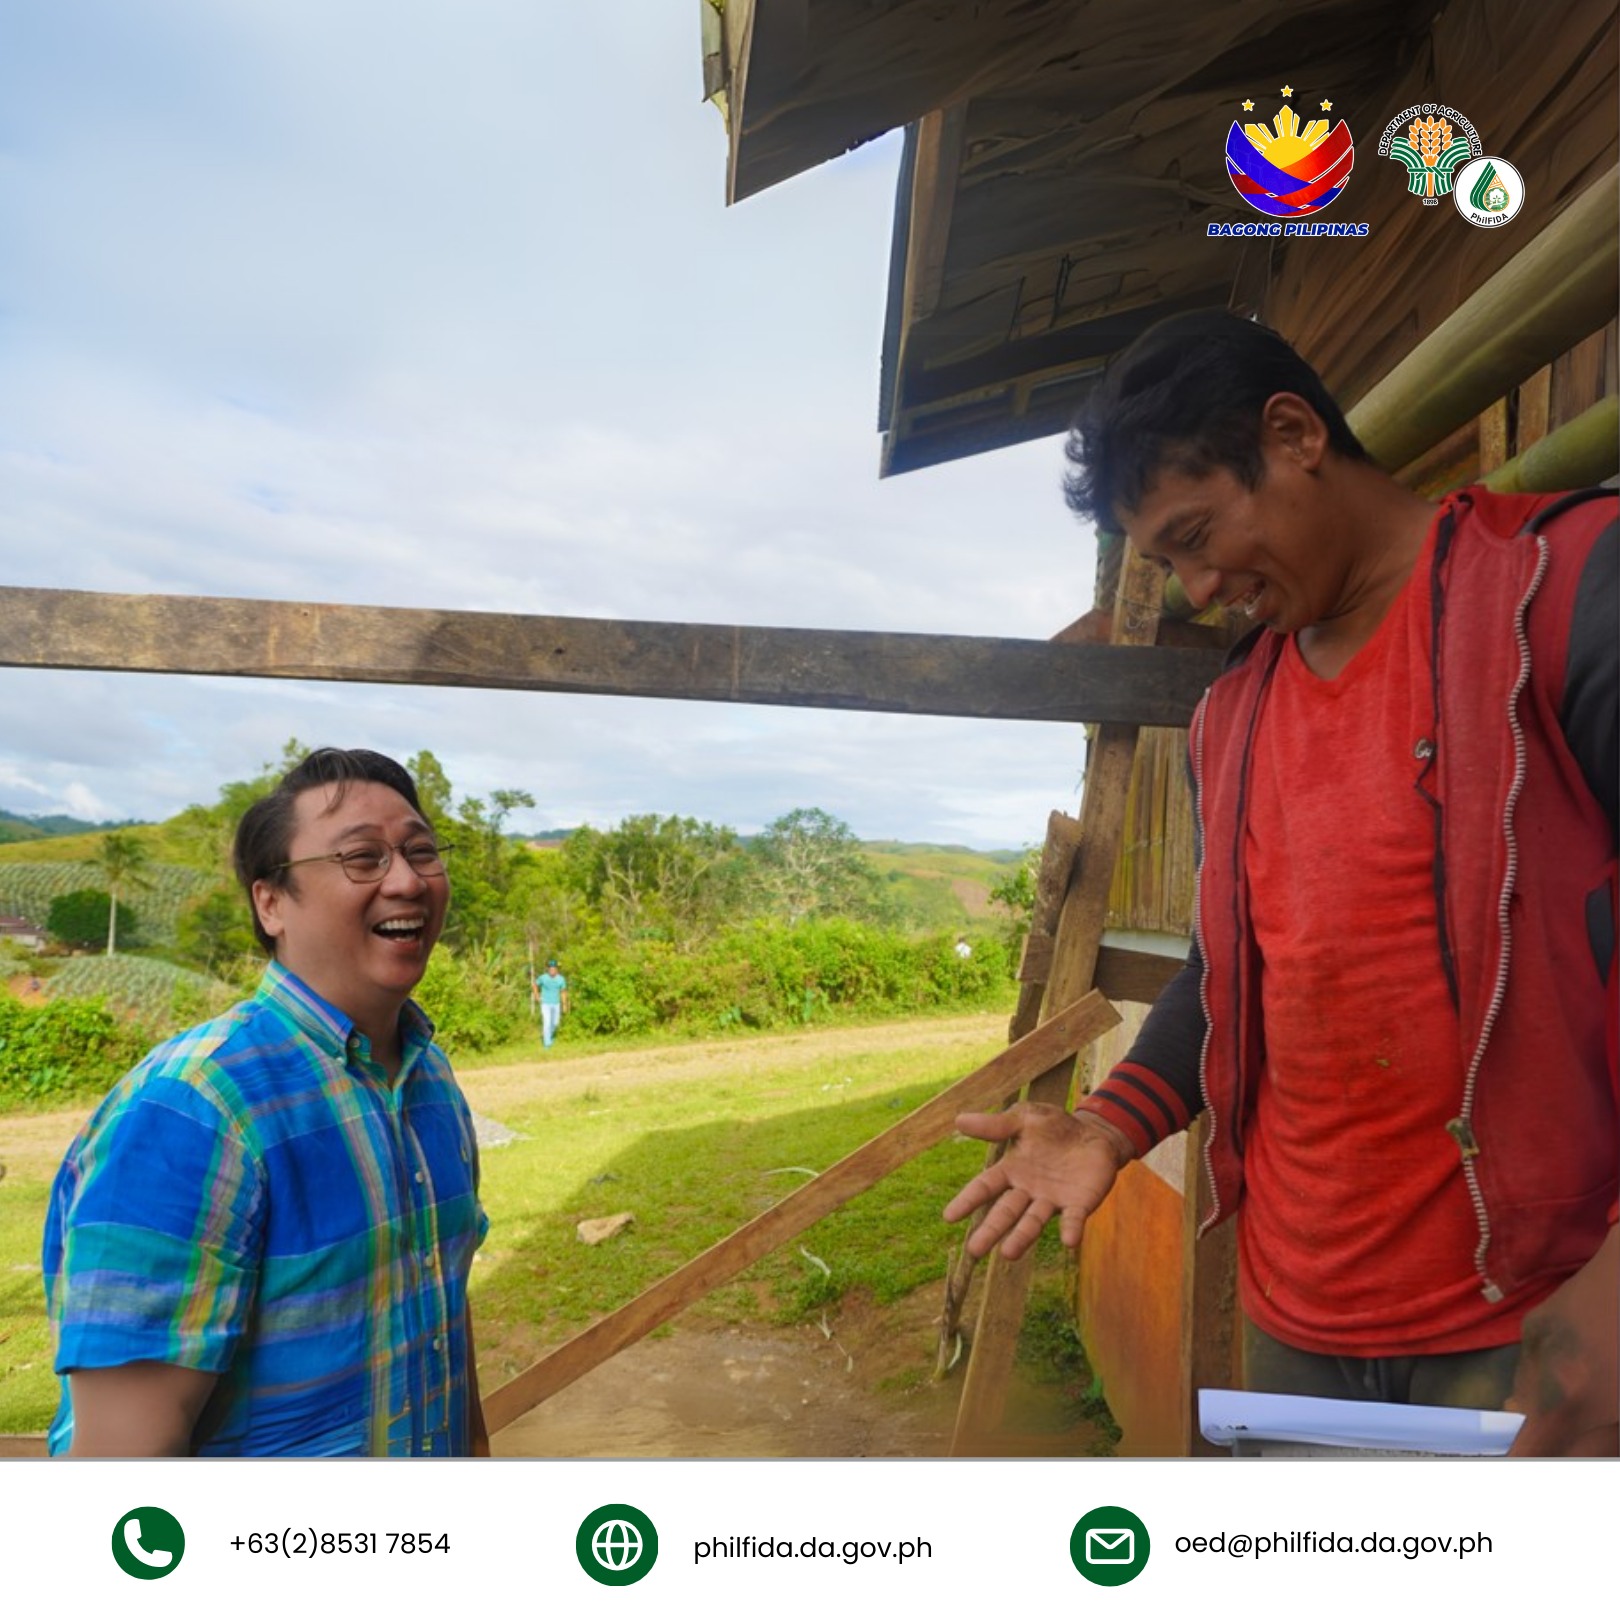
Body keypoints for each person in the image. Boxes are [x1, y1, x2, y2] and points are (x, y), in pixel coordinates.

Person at [945, 310, 1617, 1455]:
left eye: (1199, 534)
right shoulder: (1231, 718)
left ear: (1296, 434)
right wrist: (1109, 1127)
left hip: (1531, 1325)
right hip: (1300, 1323)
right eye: (1168, 562)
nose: (1201, 589)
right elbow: (1232, 970)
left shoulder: (1560, 593)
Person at [42, 747, 489, 1457]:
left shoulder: (429, 1082)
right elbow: (122, 1472)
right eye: (362, 858)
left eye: (421, 851)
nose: (406, 880)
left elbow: (442, 1325)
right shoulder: (193, 1112)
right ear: (271, 902)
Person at [534, 957, 570, 1048]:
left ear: (557, 969)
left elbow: (563, 992)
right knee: (547, 1022)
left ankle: (548, 1036)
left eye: (553, 969)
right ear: (548, 969)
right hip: (545, 1003)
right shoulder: (543, 977)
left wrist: (564, 1004)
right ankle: (547, 1043)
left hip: (556, 1004)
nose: (552, 970)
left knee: (555, 1023)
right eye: (550, 968)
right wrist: (537, 996)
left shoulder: (561, 979)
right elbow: (535, 985)